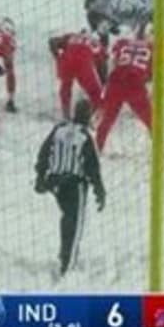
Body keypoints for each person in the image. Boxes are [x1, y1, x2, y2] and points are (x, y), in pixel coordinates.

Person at [35, 100, 106, 278]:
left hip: (55, 183)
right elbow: (92, 167)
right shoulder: (84, 135)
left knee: (67, 218)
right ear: (88, 116)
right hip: (74, 183)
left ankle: (64, 254)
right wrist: (99, 190)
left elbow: (44, 153)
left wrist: (40, 177)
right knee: (74, 223)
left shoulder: (59, 129)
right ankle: (68, 265)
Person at [94, 25, 154, 152]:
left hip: (116, 81)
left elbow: (113, 59)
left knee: (107, 120)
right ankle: (161, 153)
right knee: (152, 122)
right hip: (135, 84)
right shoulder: (153, 47)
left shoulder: (122, 43)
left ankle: (97, 149)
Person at [48, 28, 108, 120]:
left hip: (66, 60)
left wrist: (57, 57)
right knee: (95, 94)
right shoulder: (98, 44)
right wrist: (103, 82)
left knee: (66, 87)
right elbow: (102, 67)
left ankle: (66, 115)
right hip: (83, 64)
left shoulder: (71, 36)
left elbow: (52, 41)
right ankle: (89, 117)